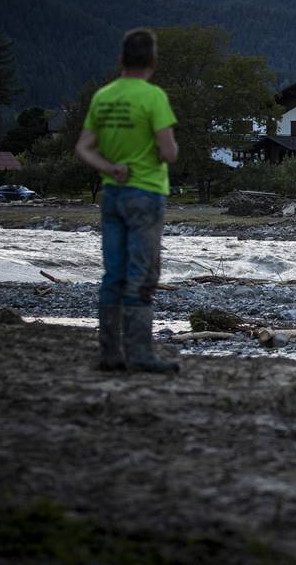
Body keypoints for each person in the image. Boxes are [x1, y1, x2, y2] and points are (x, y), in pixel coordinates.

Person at [76, 28, 180, 373]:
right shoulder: (153, 97)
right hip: (146, 192)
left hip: (112, 192)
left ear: (121, 59)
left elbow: (83, 148)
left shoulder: (103, 97)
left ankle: (109, 353)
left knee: (112, 274)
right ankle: (140, 354)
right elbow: (168, 152)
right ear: (153, 61)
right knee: (142, 274)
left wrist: (110, 167)